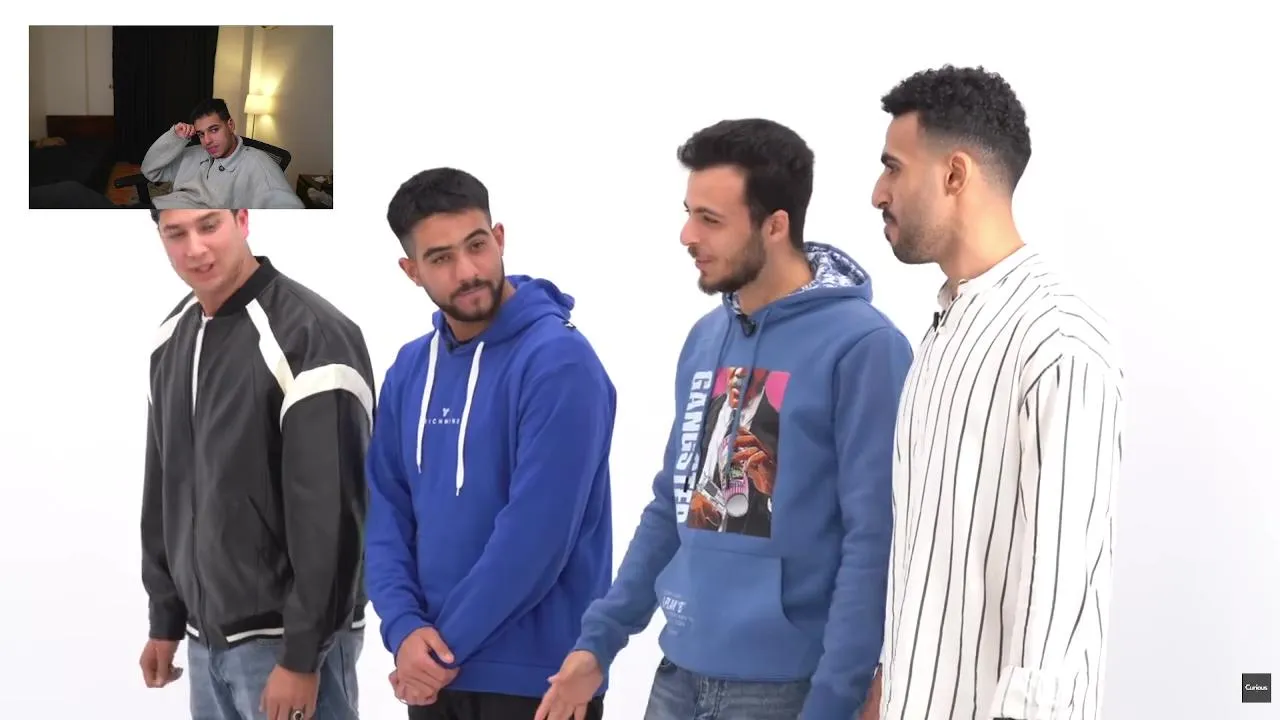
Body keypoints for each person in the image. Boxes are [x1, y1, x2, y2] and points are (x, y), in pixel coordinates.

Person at [537, 118, 913, 720]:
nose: (687, 235)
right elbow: (673, 504)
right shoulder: (706, 338)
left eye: (710, 220)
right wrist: (599, 642)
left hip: (784, 691)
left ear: (775, 225)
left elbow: (873, 539)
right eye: (689, 213)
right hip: (677, 678)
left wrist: (834, 700)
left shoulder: (864, 348)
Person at [869, 65, 1125, 720]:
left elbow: (1060, 594)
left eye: (893, 167)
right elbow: (930, 560)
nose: (877, 193)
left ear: (955, 175)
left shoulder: (1057, 340)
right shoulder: (942, 331)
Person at [365, 167, 616, 720]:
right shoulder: (410, 368)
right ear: (411, 270)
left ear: (499, 238)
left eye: (476, 245)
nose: (468, 271)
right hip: (433, 672)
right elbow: (385, 510)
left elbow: (536, 537)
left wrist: (438, 652)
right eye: (440, 258)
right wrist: (404, 629)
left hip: (538, 681)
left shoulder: (560, 363)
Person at [138, 208, 373, 720]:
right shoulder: (171, 338)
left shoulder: (311, 335)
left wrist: (302, 656)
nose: (194, 248)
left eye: (209, 225)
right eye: (175, 233)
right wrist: (165, 617)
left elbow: (334, 514)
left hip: (289, 645)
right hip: (206, 641)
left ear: (242, 219)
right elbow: (164, 486)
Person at [141, 98, 304, 209]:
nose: (207, 141)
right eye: (201, 134)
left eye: (214, 130)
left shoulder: (258, 164)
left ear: (230, 125)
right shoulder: (195, 153)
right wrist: (174, 137)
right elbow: (150, 171)